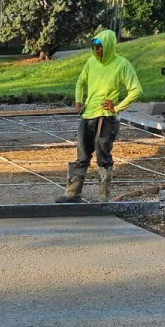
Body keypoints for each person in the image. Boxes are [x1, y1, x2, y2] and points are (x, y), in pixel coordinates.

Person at [56, 29, 143, 204]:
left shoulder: (122, 64)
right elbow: (80, 82)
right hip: (88, 115)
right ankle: (72, 194)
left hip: (105, 117)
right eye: (94, 47)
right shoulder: (91, 62)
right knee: (82, 154)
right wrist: (79, 101)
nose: (97, 51)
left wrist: (116, 107)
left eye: (100, 47)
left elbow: (136, 90)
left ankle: (103, 197)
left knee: (103, 154)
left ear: (109, 46)